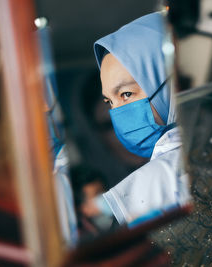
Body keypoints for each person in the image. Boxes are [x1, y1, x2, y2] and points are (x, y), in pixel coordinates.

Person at [86, 11, 191, 226]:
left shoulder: (159, 177)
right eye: (110, 102)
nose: (117, 114)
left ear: (166, 85)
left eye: (126, 94)